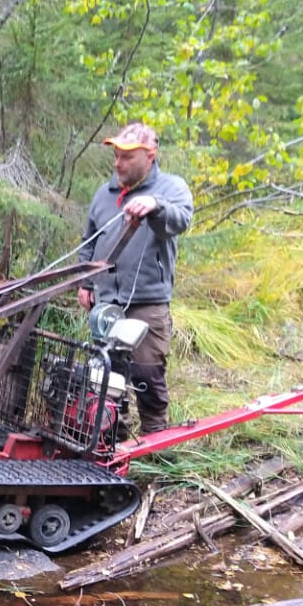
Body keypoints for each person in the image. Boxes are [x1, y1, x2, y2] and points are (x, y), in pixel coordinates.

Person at [76, 121, 194, 435]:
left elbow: (181, 220)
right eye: (116, 155)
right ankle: (113, 440)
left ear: (149, 156)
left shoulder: (171, 188)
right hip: (107, 302)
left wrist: (156, 207)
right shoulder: (105, 194)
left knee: (146, 372)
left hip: (147, 301)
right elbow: (89, 242)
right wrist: (85, 283)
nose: (118, 163)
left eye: (127, 157)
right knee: (108, 374)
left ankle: (156, 441)